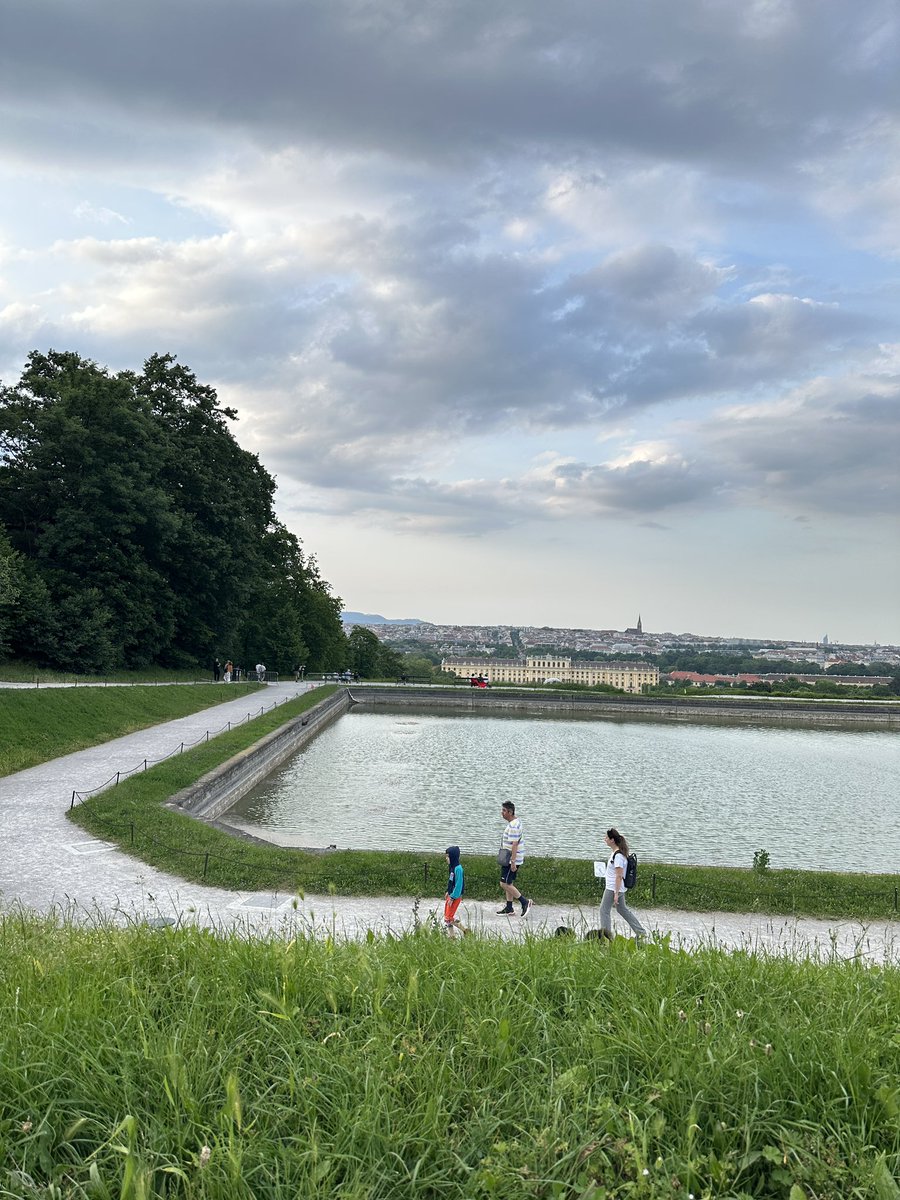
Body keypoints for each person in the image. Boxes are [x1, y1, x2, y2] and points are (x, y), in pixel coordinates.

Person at [600, 827, 647, 940]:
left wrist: (616, 893)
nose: (604, 839)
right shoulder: (616, 854)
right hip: (617, 888)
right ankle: (640, 932)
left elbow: (619, 876)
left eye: (606, 837)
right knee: (622, 909)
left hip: (613, 888)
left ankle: (606, 937)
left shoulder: (619, 856)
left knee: (604, 910)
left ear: (612, 840)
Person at [497, 801, 533, 917]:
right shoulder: (516, 822)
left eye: (504, 811)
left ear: (510, 812)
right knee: (509, 882)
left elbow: (514, 844)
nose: (502, 813)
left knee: (504, 883)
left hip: (511, 859)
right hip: (509, 858)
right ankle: (509, 907)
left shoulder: (513, 826)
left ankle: (524, 902)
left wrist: (513, 861)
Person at [443, 846, 468, 936]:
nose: (446, 859)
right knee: (447, 916)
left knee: (448, 917)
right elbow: (451, 881)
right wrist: (448, 891)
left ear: (453, 857)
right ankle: (459, 932)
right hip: (451, 894)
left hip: (455, 896)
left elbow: (458, 885)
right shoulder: (452, 867)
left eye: (448, 856)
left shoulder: (458, 869)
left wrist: (453, 897)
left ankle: (454, 935)